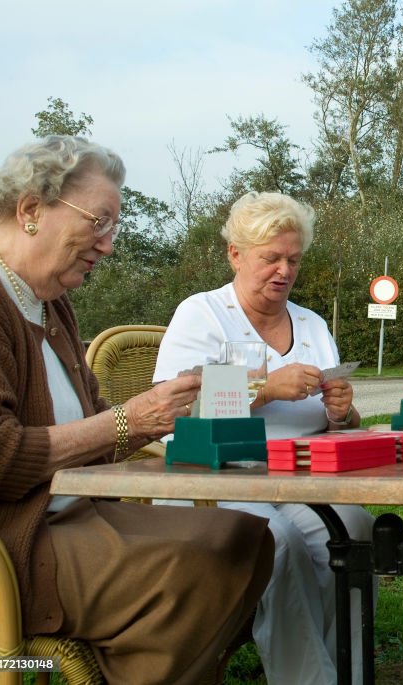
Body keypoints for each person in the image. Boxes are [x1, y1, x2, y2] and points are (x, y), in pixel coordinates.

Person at [0, 135, 274, 684]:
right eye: (98, 221)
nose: (108, 244)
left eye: (112, 227)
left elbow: (97, 421)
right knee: (195, 568)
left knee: (248, 539)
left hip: (72, 516)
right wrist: (129, 420)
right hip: (7, 546)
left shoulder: (49, 303)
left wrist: (169, 416)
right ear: (29, 210)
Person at [154, 190, 375, 685]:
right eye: (270, 257)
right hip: (214, 476)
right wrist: (264, 388)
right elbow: (171, 406)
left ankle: (350, 673)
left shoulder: (312, 324)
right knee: (278, 542)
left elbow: (332, 415)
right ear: (235, 254)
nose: (283, 270)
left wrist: (343, 411)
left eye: (293, 259)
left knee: (355, 528)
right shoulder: (203, 313)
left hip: (299, 475)